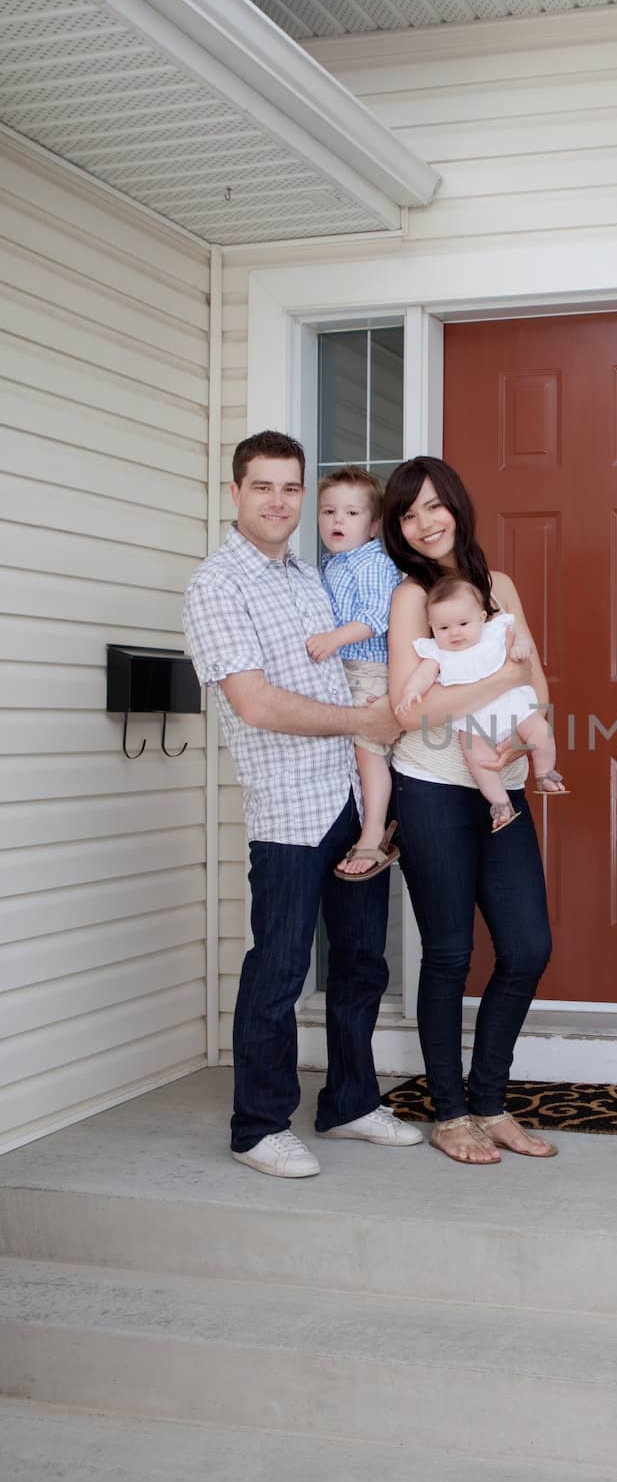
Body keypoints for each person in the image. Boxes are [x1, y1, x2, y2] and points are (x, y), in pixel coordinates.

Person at [183, 430, 422, 1178]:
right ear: (235, 493)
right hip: (288, 809)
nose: (280, 501)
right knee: (280, 968)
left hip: (351, 801)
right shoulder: (217, 586)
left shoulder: (310, 576)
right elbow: (253, 704)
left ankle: (349, 1103)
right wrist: (365, 721)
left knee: (359, 964)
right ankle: (258, 1125)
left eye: (292, 487)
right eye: (264, 487)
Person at [383, 456, 557, 1165]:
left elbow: (538, 688)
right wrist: (502, 678)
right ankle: (449, 1114)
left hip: (503, 787)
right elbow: (413, 711)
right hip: (429, 789)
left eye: (432, 506)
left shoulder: (500, 587)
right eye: (407, 513)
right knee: (449, 954)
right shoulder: (408, 598)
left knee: (526, 948)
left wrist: (523, 733)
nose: (424, 523)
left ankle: (490, 1102)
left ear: (455, 504)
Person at [397, 575, 567, 834]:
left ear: (482, 617)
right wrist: (411, 690)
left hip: (512, 708)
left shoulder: (496, 632)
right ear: (431, 626)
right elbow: (423, 675)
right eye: (443, 628)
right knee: (478, 760)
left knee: (540, 730)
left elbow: (520, 640)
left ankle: (545, 773)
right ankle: (500, 804)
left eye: (463, 623)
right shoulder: (436, 652)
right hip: (473, 721)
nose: (454, 633)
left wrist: (520, 648)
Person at [308, 466, 404, 879]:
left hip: (368, 667)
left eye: (350, 513)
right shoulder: (333, 564)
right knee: (352, 750)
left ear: (374, 526)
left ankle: (373, 832)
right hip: (344, 670)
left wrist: (334, 639)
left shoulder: (373, 563)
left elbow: (376, 616)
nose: (337, 521)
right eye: (328, 512)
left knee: (368, 752)